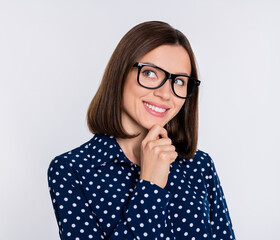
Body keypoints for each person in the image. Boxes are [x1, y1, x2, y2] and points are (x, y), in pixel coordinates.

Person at [47, 21, 236, 240]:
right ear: (120, 74)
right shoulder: (72, 170)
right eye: (150, 73)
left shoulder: (199, 166)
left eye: (180, 81)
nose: (166, 94)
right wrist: (151, 186)